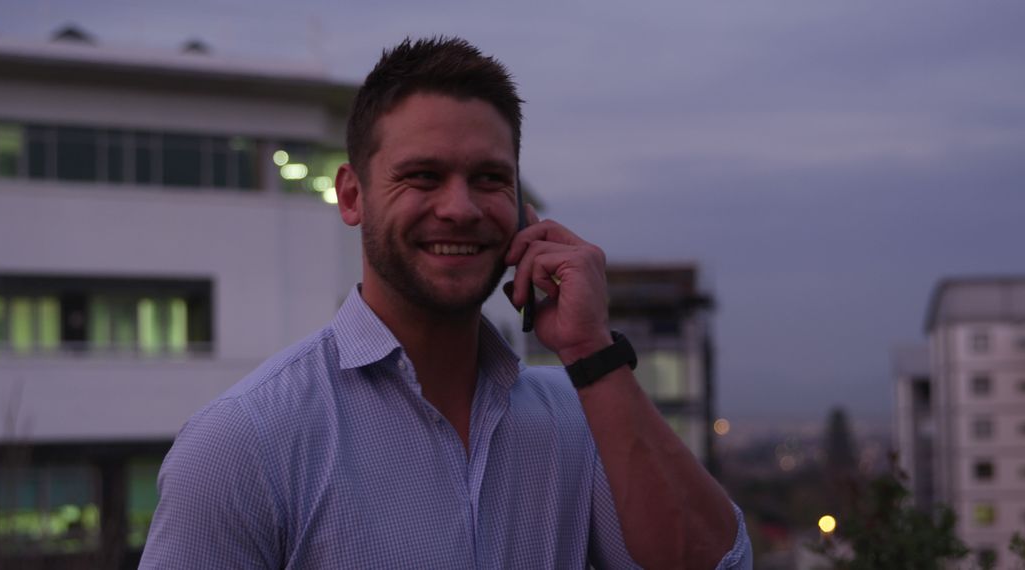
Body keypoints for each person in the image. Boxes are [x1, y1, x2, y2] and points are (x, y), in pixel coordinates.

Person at [141, 37, 751, 569]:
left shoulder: (578, 418)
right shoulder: (244, 444)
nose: (459, 207)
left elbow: (710, 564)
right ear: (352, 197)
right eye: (423, 177)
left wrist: (591, 351)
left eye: (489, 178)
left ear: (520, 206)